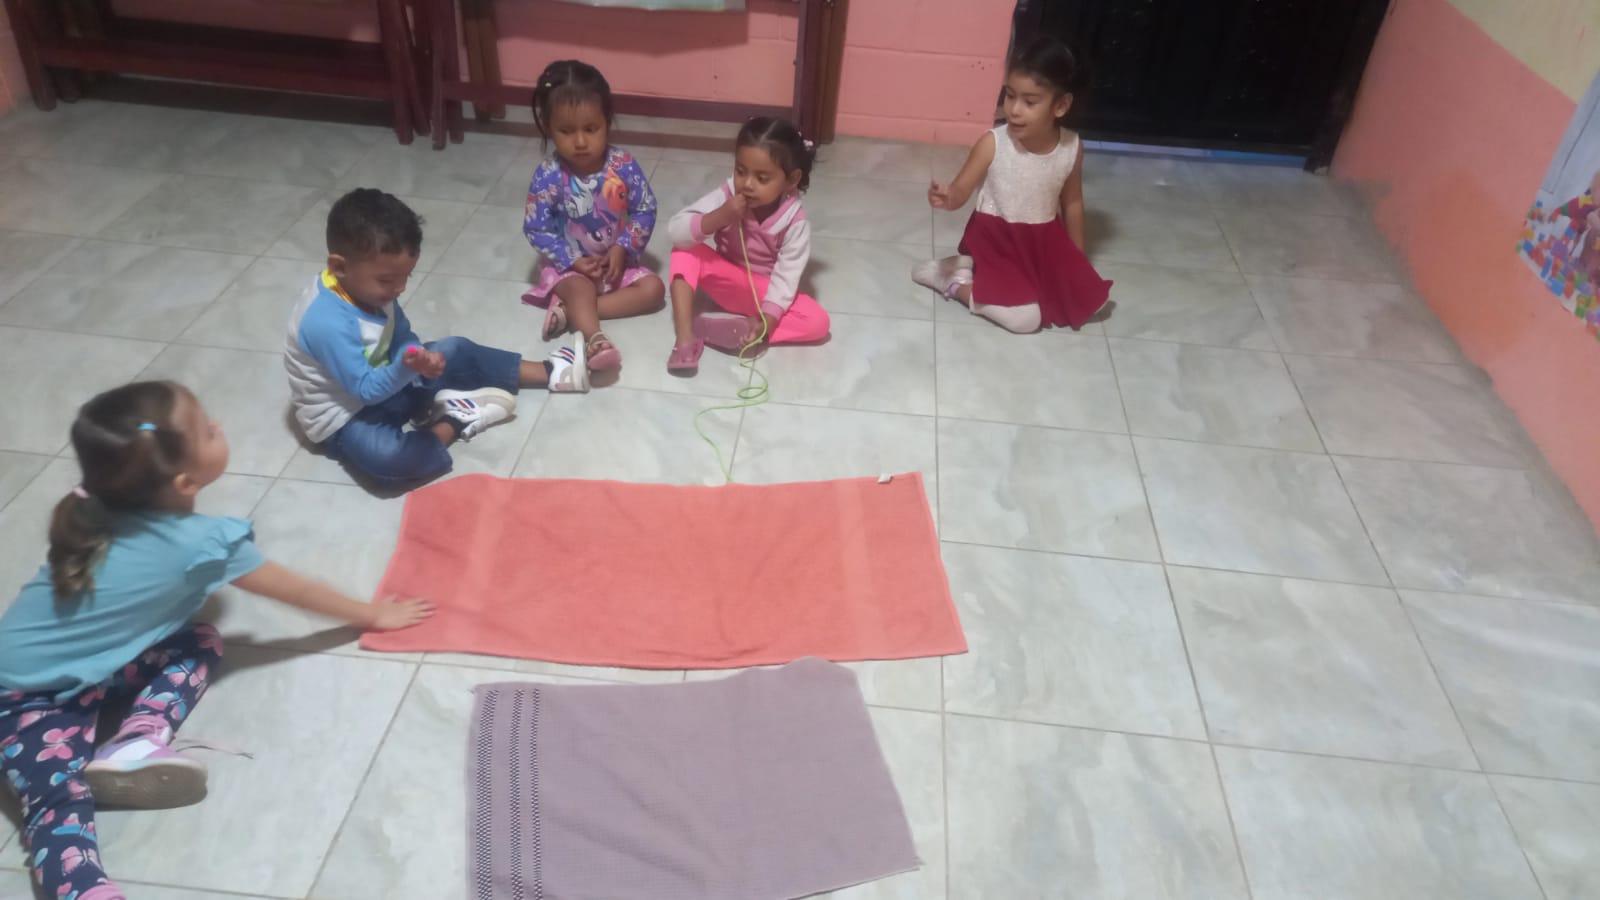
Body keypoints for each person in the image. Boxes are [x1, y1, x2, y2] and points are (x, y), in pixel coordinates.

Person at [0, 381, 433, 900]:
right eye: (208, 430)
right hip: (23, 704)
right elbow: (297, 591)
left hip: (69, 676)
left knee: (199, 639)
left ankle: (135, 740)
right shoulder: (205, 543)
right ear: (185, 481)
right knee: (58, 807)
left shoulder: (92, 506)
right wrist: (373, 614)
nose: (219, 426)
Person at [286, 188, 587, 488]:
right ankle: (455, 420)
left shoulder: (371, 288)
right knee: (388, 459)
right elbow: (365, 390)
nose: (399, 289)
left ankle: (551, 371)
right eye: (387, 280)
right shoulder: (325, 322)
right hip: (347, 417)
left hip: (390, 382)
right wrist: (406, 368)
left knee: (454, 348)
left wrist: (416, 355)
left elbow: (401, 334)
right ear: (339, 267)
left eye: (406, 277)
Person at [914, 35, 1113, 332]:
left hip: (1042, 243)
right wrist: (948, 197)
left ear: (1061, 105)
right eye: (1009, 96)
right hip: (997, 242)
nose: (1014, 110)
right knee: (1026, 320)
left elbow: (1072, 202)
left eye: (1029, 101)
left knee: (1090, 300)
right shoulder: (993, 143)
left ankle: (966, 267)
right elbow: (961, 191)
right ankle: (951, 281)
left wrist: (1077, 260)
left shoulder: (1072, 147)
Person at [522, 59, 665, 372]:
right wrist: (572, 260)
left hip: (615, 264)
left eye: (591, 129)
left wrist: (622, 247)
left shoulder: (623, 166)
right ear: (548, 127)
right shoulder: (548, 175)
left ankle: (572, 312)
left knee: (655, 290)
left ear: (607, 122)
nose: (580, 141)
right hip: (569, 269)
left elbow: (645, 208)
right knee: (580, 288)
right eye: (566, 131)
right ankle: (595, 338)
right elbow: (537, 229)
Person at [665, 116, 830, 375]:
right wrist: (719, 217)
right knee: (684, 250)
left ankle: (751, 329)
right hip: (726, 282)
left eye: (762, 178)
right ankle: (686, 337)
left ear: (791, 180)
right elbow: (676, 230)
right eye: (740, 171)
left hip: (764, 294)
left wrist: (768, 320)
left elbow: (785, 280)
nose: (747, 184)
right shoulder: (728, 194)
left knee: (819, 323)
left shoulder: (794, 222)